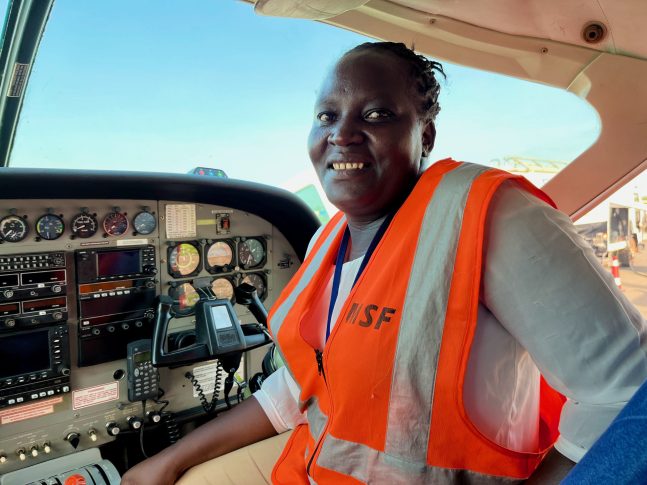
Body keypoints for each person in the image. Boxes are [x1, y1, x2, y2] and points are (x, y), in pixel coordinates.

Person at [122, 42, 647, 484]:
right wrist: (166, 462)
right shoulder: (327, 241)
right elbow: (302, 388)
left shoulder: (488, 216)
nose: (342, 134)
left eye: (376, 114)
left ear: (426, 135)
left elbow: (626, 398)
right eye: (327, 115)